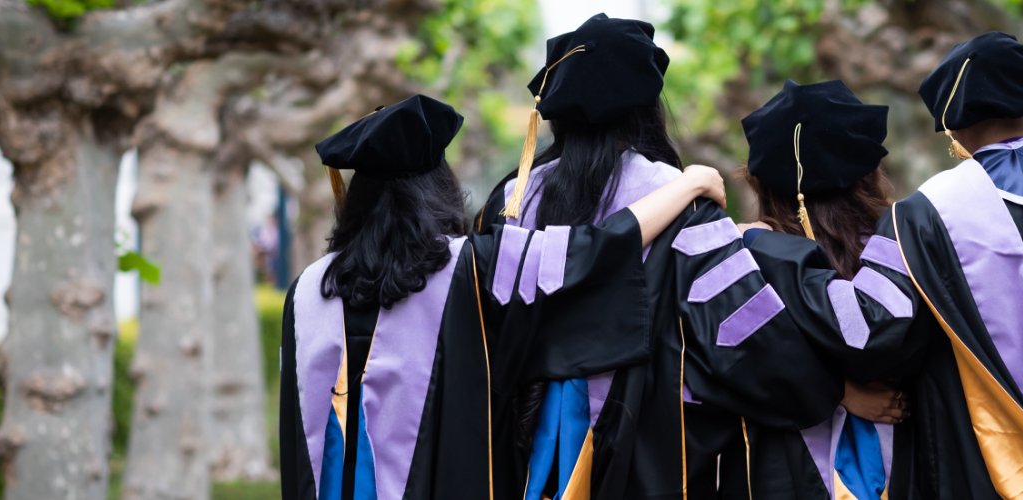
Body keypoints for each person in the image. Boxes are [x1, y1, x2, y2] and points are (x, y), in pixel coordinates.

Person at [738, 32, 1023, 498]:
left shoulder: (926, 216)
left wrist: (772, 251)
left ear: (954, 130)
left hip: (986, 480)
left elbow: (868, 330)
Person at [278, 94, 726, 499]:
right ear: (438, 191)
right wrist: (687, 186)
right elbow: (593, 249)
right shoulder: (474, 267)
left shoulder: (305, 293)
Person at [477, 13, 838, 499]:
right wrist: (829, 390)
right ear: (645, 108)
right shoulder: (677, 197)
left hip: (520, 442)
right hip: (643, 448)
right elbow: (741, 332)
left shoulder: (513, 199)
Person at [679, 80, 915, 499]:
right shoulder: (901, 246)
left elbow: (728, 363)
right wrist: (842, 393)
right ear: (868, 170)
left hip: (777, 470)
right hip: (902, 459)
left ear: (762, 182)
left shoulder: (744, 258)